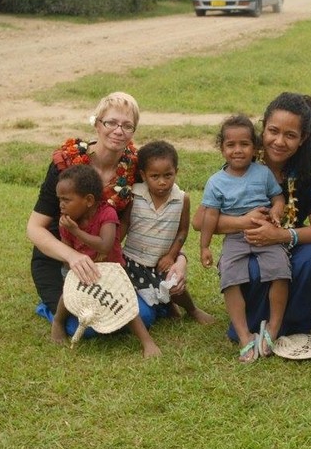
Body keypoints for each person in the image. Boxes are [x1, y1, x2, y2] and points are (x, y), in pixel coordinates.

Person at [26, 91, 188, 334]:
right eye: (111, 122)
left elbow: (159, 218)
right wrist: (72, 257)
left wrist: (181, 259)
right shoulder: (67, 163)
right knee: (82, 325)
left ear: (134, 131)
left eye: (127, 125)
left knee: (141, 316)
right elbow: (35, 227)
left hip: (105, 259)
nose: (118, 130)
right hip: (59, 255)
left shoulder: (135, 168)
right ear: (97, 123)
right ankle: (55, 302)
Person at [192, 93, 311, 349]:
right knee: (253, 268)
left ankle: (292, 327)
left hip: (288, 249)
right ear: (262, 130)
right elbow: (199, 221)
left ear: (302, 139)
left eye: (290, 135)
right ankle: (250, 327)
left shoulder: (307, 177)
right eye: (273, 131)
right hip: (249, 248)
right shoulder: (241, 163)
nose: (279, 141)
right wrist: (243, 221)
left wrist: (281, 236)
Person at [199, 115, 291, 362]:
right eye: (231, 145)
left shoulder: (263, 173)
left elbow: (278, 198)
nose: (238, 150)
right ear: (222, 148)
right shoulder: (216, 182)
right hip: (235, 239)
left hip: (265, 234)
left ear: (255, 148)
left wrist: (275, 211)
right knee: (230, 277)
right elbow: (209, 216)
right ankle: (244, 335)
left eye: (244, 144)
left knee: (280, 271)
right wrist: (205, 246)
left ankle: (273, 327)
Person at [49, 165, 160, 357]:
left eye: (66, 200)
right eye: (60, 199)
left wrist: (76, 231)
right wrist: (75, 269)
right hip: (83, 272)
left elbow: (105, 246)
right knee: (67, 295)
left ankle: (147, 342)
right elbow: (67, 252)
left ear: (89, 200)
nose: (61, 205)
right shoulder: (66, 220)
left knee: (124, 301)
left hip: (111, 272)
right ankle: (58, 322)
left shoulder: (106, 213)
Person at [122, 140, 214, 325]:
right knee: (135, 291)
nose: (162, 182)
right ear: (143, 175)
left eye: (168, 175)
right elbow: (124, 222)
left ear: (176, 172)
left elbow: (182, 231)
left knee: (174, 287)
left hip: (161, 259)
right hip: (132, 259)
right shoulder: (134, 195)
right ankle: (167, 306)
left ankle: (192, 309)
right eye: (154, 176)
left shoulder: (182, 199)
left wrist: (171, 256)